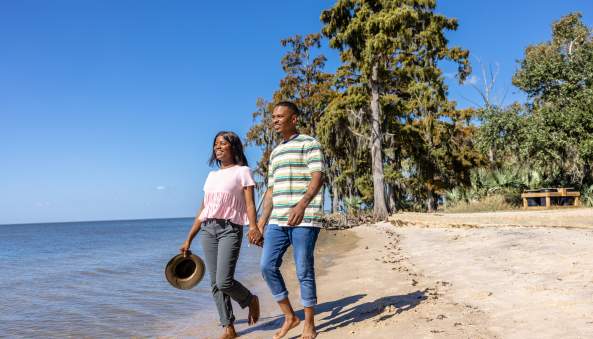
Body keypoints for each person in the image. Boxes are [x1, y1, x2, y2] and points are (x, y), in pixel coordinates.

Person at [180, 131, 263, 339]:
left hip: (230, 229)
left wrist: (253, 227)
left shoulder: (243, 171)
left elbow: (250, 204)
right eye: (215, 144)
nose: (217, 147)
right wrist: (189, 238)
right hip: (208, 230)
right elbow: (203, 209)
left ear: (233, 147)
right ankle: (229, 327)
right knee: (214, 283)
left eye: (222, 143)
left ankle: (249, 299)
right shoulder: (211, 176)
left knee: (224, 281)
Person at [258, 101, 325, 339]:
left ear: (293, 119)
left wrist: (302, 205)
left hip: (305, 219)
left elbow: (318, 177)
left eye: (279, 116)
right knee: (266, 266)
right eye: (273, 117)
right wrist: (260, 223)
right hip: (277, 220)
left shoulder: (309, 143)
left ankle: (309, 323)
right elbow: (270, 191)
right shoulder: (275, 152)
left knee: (303, 269)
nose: (274, 120)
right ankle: (290, 316)